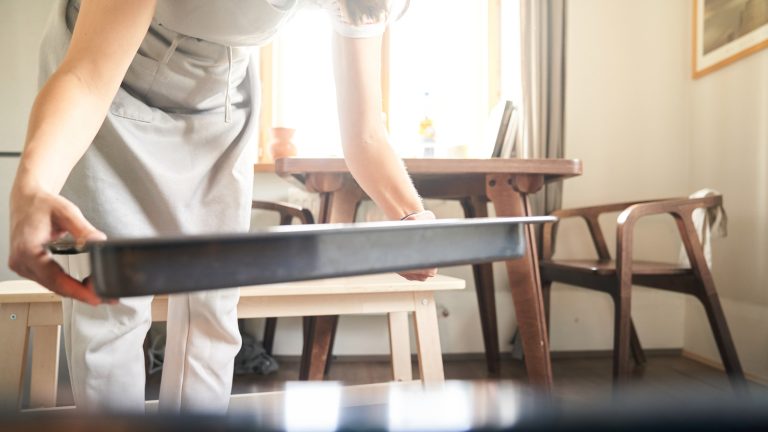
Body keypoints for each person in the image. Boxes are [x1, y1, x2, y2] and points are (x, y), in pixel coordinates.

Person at [8, 0, 435, 413]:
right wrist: (32, 186)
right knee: (111, 302)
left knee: (212, 307)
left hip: (220, 97)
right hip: (109, 87)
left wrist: (413, 218)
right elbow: (87, 78)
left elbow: (364, 132)